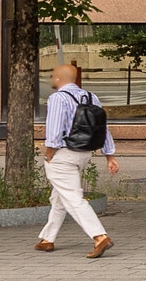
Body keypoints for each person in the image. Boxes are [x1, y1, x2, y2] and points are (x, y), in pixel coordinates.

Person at [37, 62, 119, 257]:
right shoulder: (91, 97)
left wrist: (49, 154)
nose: (51, 80)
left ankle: (99, 236)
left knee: (73, 197)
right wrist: (110, 155)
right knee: (60, 196)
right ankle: (48, 238)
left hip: (63, 153)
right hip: (84, 153)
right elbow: (102, 128)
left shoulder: (57, 98)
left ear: (58, 79)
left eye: (52, 77)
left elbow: (54, 131)